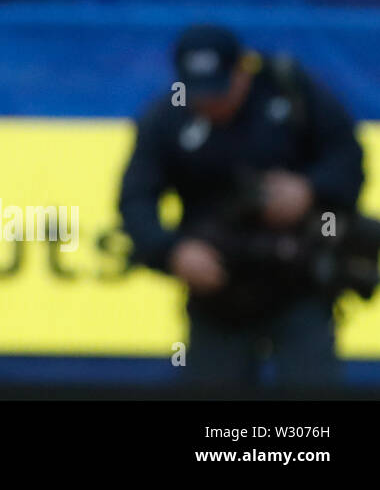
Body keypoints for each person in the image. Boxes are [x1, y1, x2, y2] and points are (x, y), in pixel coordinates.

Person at [118, 25, 368, 391]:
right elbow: (135, 199)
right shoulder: (166, 119)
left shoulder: (291, 92)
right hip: (219, 293)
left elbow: (349, 160)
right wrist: (172, 251)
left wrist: (309, 191)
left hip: (299, 281)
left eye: (219, 90)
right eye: (197, 93)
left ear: (242, 71)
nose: (210, 103)